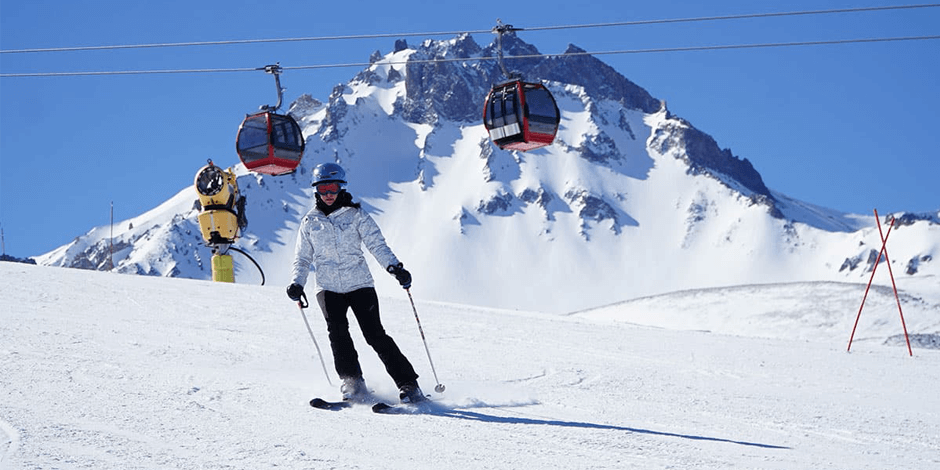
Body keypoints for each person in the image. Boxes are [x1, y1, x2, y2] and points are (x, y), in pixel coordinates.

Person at [286, 162, 425, 404]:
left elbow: (376, 245)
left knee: (375, 335)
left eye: (333, 188)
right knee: (338, 334)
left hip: (360, 284)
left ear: (341, 188)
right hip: (328, 287)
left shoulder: (356, 215)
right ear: (315, 191)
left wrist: (395, 268)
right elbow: (302, 257)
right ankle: (352, 381)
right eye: (323, 189)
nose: (328, 195)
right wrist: (297, 283)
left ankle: (409, 385)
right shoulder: (310, 222)